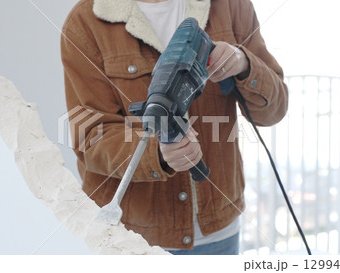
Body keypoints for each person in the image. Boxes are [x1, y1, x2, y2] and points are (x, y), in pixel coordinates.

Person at [61, 0, 288, 255]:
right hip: (133, 239)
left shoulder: (229, 5)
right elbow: (91, 137)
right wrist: (157, 154)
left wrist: (243, 64)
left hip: (219, 235)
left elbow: (275, 110)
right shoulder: (85, 22)